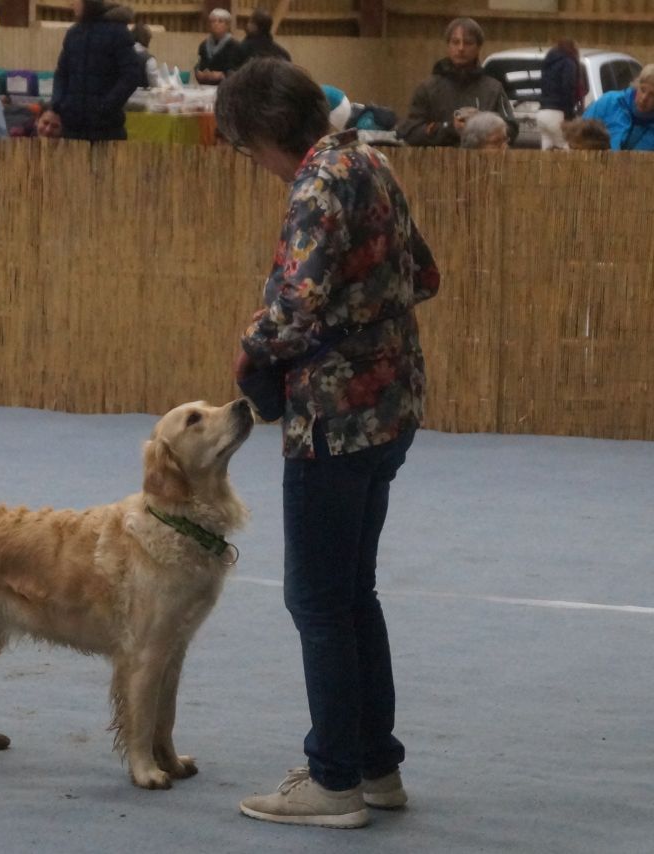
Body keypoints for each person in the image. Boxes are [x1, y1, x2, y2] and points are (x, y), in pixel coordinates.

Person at [215, 58, 440, 829]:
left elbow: (295, 308)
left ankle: (333, 780)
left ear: (262, 134)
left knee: (316, 600)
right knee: (352, 595)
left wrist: (248, 348)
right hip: (392, 406)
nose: (253, 162)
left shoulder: (314, 185)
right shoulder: (369, 160)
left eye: (245, 147)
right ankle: (376, 766)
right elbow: (425, 275)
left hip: (333, 421)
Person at [396, 17, 517, 147]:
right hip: (438, 158)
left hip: (482, 158)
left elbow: (511, 128)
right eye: (455, 42)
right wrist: (449, 128)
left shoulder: (493, 89)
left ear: (478, 47)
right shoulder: (427, 88)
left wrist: (483, 125)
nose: (461, 48)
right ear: (448, 46)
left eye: (468, 43)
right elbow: (410, 132)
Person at [52, 0, 139, 141]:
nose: (72, 4)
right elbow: (61, 73)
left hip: (106, 128)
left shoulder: (118, 33)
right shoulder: (73, 34)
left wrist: (106, 106)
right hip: (73, 127)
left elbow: (131, 75)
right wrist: (59, 103)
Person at [582, 64, 654, 151]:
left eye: (652, 95)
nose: (644, 98)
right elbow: (579, 132)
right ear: (637, 86)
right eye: (642, 90)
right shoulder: (609, 102)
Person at [538, 39, 583, 150]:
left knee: (546, 150)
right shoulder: (569, 62)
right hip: (558, 113)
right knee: (565, 147)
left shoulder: (548, 63)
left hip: (542, 112)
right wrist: (568, 115)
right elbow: (568, 88)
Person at [194, 8, 243, 85]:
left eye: (220, 21)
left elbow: (238, 71)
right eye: (213, 21)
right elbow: (199, 64)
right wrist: (199, 73)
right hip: (206, 86)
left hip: (226, 87)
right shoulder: (203, 45)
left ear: (227, 25)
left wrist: (222, 75)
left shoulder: (234, 45)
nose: (216, 24)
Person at [132, 22, 158, 88]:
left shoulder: (122, 54)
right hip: (143, 93)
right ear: (147, 40)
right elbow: (154, 83)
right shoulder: (149, 59)